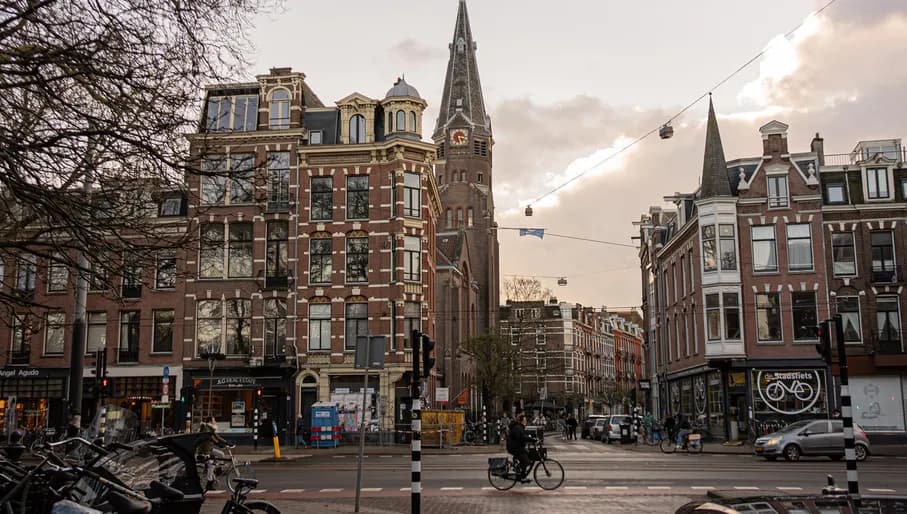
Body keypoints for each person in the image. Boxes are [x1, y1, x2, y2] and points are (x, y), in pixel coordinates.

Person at [197, 417, 230, 491]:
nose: (215, 421)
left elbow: (217, 436)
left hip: (210, 449)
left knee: (221, 454)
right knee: (211, 465)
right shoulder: (207, 429)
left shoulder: (210, 428)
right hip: (204, 451)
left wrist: (226, 442)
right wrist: (218, 444)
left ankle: (219, 469)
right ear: (210, 421)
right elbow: (211, 438)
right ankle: (209, 483)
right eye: (214, 420)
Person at [506, 414, 534, 483]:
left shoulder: (520, 427)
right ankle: (522, 476)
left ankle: (518, 467)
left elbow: (524, 434)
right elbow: (521, 437)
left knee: (527, 455)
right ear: (521, 421)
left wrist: (532, 437)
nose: (526, 422)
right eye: (524, 421)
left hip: (517, 446)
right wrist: (532, 439)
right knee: (526, 461)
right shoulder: (517, 428)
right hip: (514, 447)